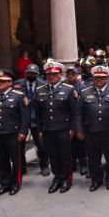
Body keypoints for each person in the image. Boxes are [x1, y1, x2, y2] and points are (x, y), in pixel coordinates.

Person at [76, 65, 109, 191]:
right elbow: (79, 114)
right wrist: (80, 129)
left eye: (102, 77)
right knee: (93, 159)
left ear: (107, 78)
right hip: (91, 131)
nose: (99, 80)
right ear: (93, 78)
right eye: (96, 77)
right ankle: (96, 179)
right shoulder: (84, 92)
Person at [0, 70, 29, 196]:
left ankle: (15, 183)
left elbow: (25, 117)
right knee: (1, 160)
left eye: (3, 81)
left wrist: (23, 132)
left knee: (16, 160)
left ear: (10, 82)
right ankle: (5, 183)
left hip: (13, 134)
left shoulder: (18, 96)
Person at [34, 61, 78, 194]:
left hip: (63, 129)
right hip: (47, 129)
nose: (51, 76)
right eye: (49, 74)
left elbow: (74, 112)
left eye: (54, 74)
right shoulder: (39, 91)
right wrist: (39, 130)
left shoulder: (69, 89)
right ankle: (57, 177)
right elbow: (37, 114)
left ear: (60, 74)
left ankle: (66, 179)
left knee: (65, 155)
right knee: (52, 156)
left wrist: (73, 129)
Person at [14, 64, 49, 176]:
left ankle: (44, 165)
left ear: (37, 75)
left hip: (36, 119)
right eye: (29, 73)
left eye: (33, 74)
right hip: (21, 120)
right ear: (26, 73)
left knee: (41, 144)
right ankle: (22, 167)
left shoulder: (43, 85)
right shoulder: (18, 84)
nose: (31, 75)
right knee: (20, 145)